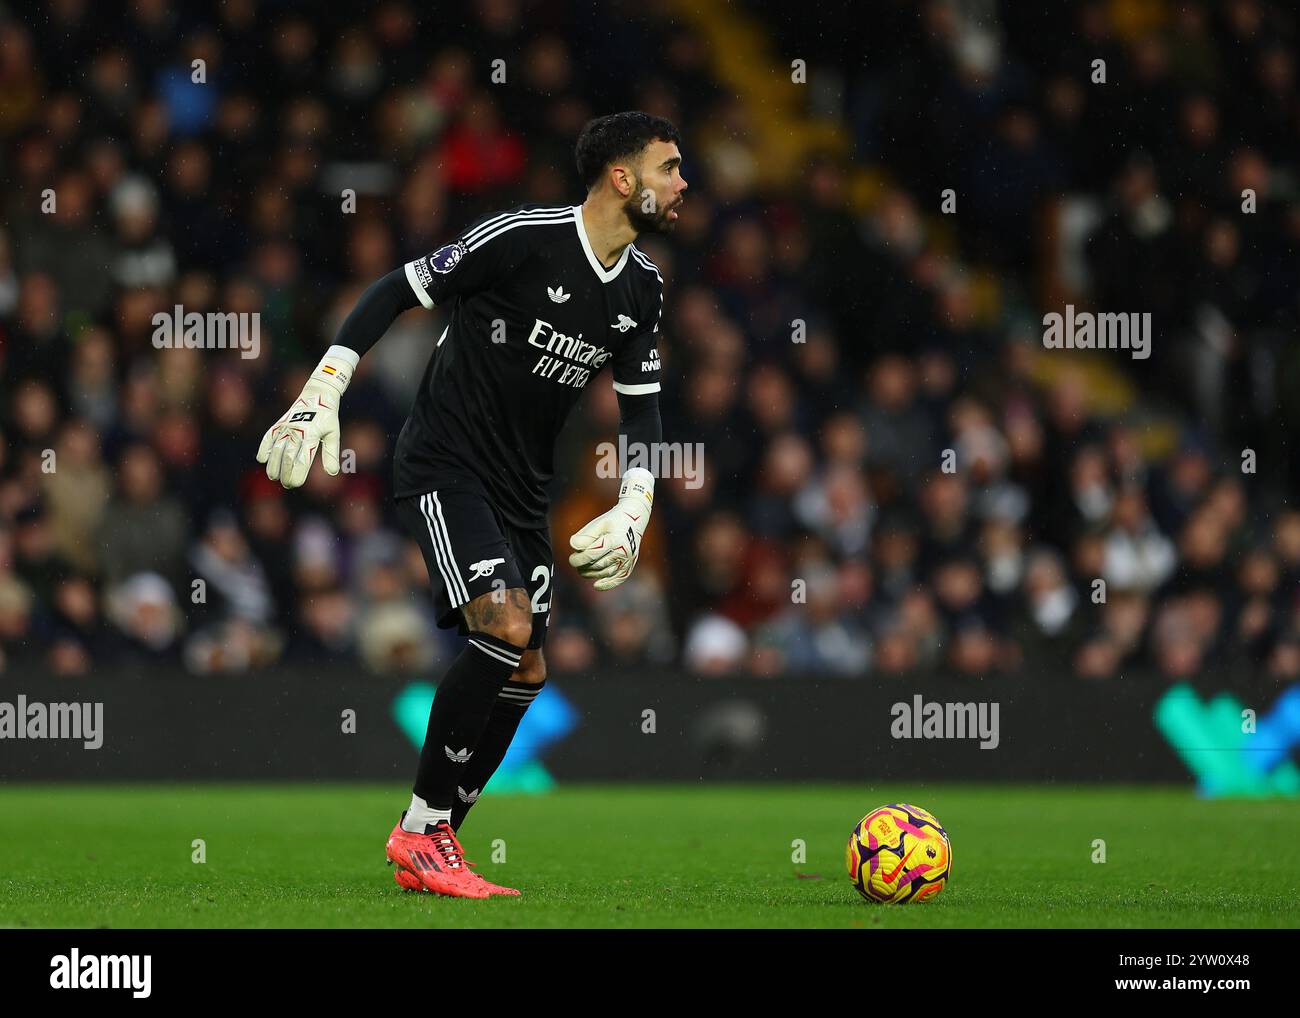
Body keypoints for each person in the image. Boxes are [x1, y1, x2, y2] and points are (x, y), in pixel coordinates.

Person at [256, 111, 686, 898]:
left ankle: (438, 837)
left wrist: (635, 502)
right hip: (448, 462)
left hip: (524, 491)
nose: (682, 182)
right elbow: (398, 288)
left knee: (527, 667)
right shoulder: (524, 237)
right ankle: (419, 833)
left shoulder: (642, 288)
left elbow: (643, 409)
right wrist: (327, 383)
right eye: (669, 167)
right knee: (505, 624)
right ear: (623, 179)